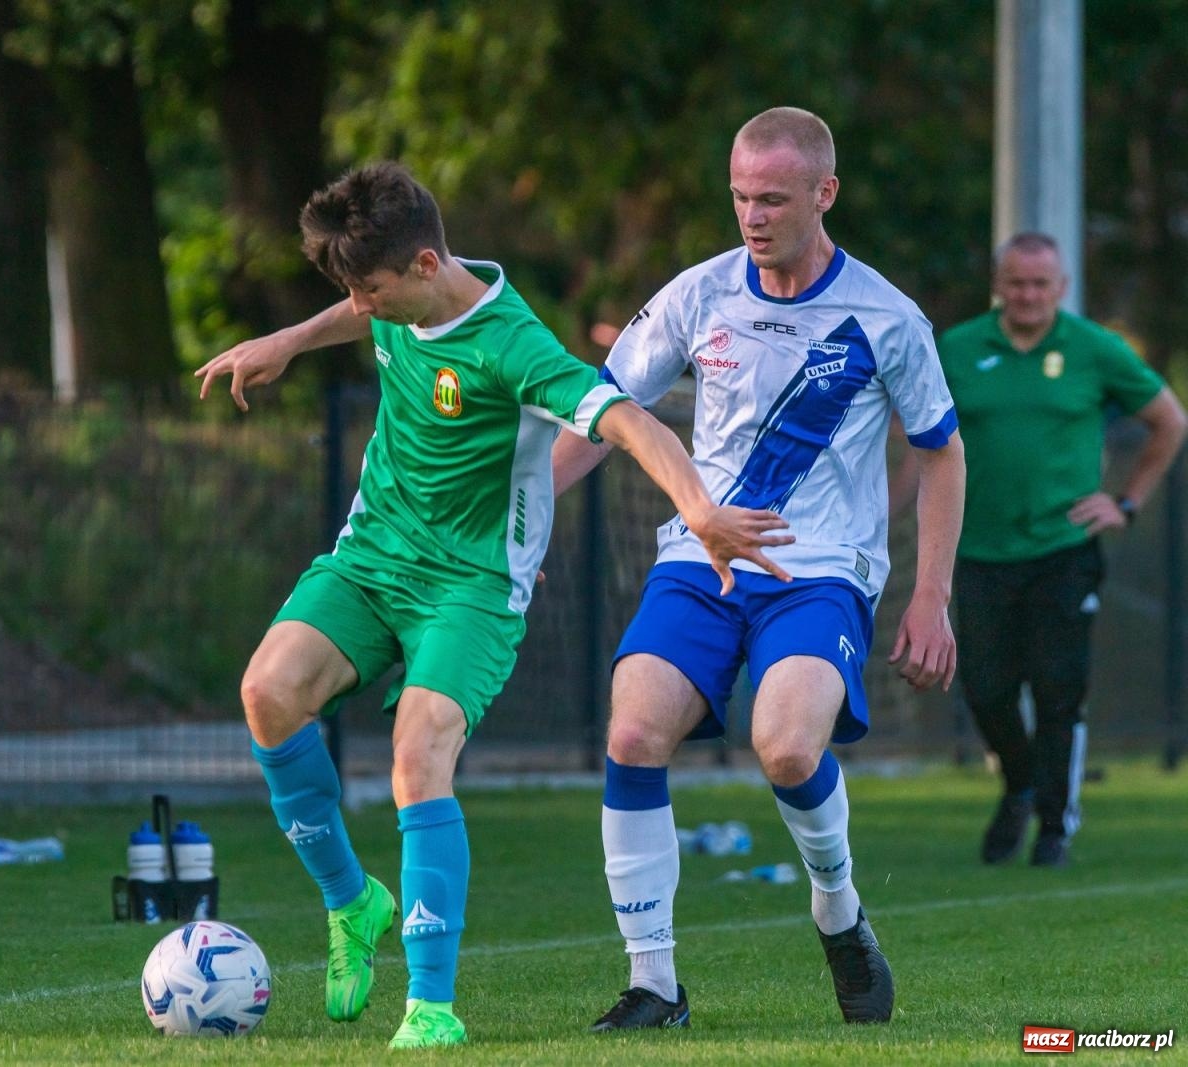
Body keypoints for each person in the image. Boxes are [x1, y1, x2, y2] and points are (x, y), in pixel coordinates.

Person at [196, 162, 790, 1049]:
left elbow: (632, 421)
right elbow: (352, 305)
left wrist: (699, 510)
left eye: (371, 291)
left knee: (418, 748)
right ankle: (353, 903)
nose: (360, 307)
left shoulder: (513, 345)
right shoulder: (407, 282)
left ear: (427, 265)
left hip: (471, 587)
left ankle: (430, 1005)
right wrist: (287, 338)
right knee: (267, 694)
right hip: (372, 555)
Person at [552, 107, 966, 1030]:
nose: (752, 214)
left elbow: (942, 451)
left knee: (785, 746)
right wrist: (519, 531)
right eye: (739, 195)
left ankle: (839, 910)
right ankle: (654, 983)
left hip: (820, 572)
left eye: (772, 197)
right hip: (699, 563)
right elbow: (601, 412)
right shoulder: (697, 296)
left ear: (825, 194)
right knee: (631, 734)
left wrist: (930, 593)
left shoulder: (887, 317)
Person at [936, 232, 1186, 868]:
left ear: (1061, 288)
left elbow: (1169, 421)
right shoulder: (958, 349)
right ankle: (1019, 783)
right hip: (983, 550)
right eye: (1016, 282)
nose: (1027, 295)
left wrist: (1123, 502)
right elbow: (924, 444)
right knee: (986, 689)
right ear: (999, 283)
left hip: (1063, 549)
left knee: (1057, 689)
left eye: (1039, 284)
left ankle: (1053, 824)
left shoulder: (1093, 348)